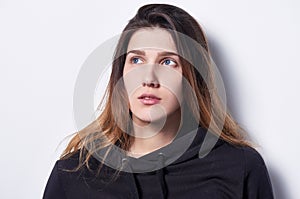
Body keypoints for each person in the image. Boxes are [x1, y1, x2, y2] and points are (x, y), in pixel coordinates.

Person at [43, 3, 274, 199]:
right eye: (136, 60)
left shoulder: (239, 167)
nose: (148, 79)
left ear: (192, 77)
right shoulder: (74, 174)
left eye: (168, 62)